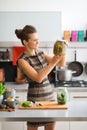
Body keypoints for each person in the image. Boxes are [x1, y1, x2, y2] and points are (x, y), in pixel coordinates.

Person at [15, 25, 66, 130]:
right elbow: (38, 78)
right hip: (35, 100)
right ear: (25, 42)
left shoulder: (41, 53)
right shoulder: (22, 60)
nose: (38, 42)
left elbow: (61, 63)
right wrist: (52, 63)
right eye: (34, 40)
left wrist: (63, 49)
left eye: (38, 39)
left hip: (49, 99)